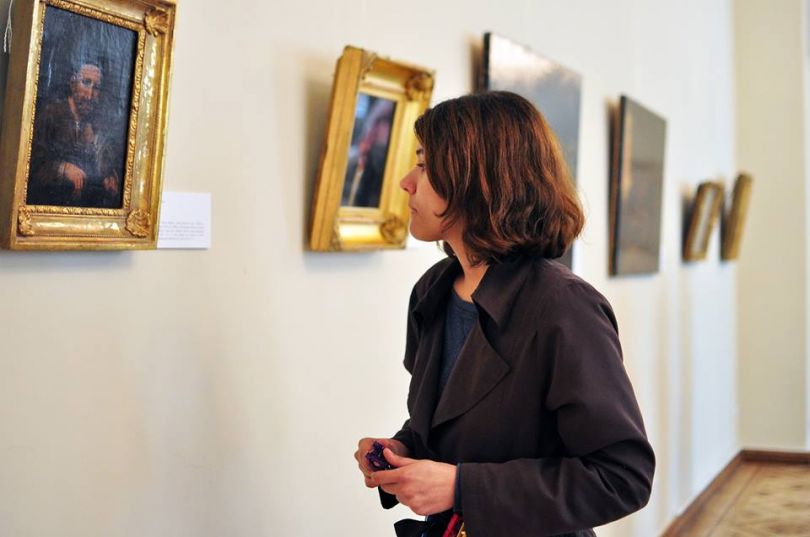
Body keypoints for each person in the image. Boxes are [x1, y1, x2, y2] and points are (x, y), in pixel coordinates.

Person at [354, 91, 655, 537]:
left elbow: (622, 477)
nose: (406, 181)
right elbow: (453, 422)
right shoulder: (432, 291)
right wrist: (402, 448)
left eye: (424, 164)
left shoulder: (564, 308)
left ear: (476, 178)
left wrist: (463, 487)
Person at [27, 60, 122, 208]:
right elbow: (30, 165)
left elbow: (99, 166)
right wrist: (62, 168)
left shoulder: (95, 123)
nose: (90, 94)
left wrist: (107, 178)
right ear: (73, 83)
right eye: (86, 82)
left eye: (96, 87)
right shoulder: (51, 113)